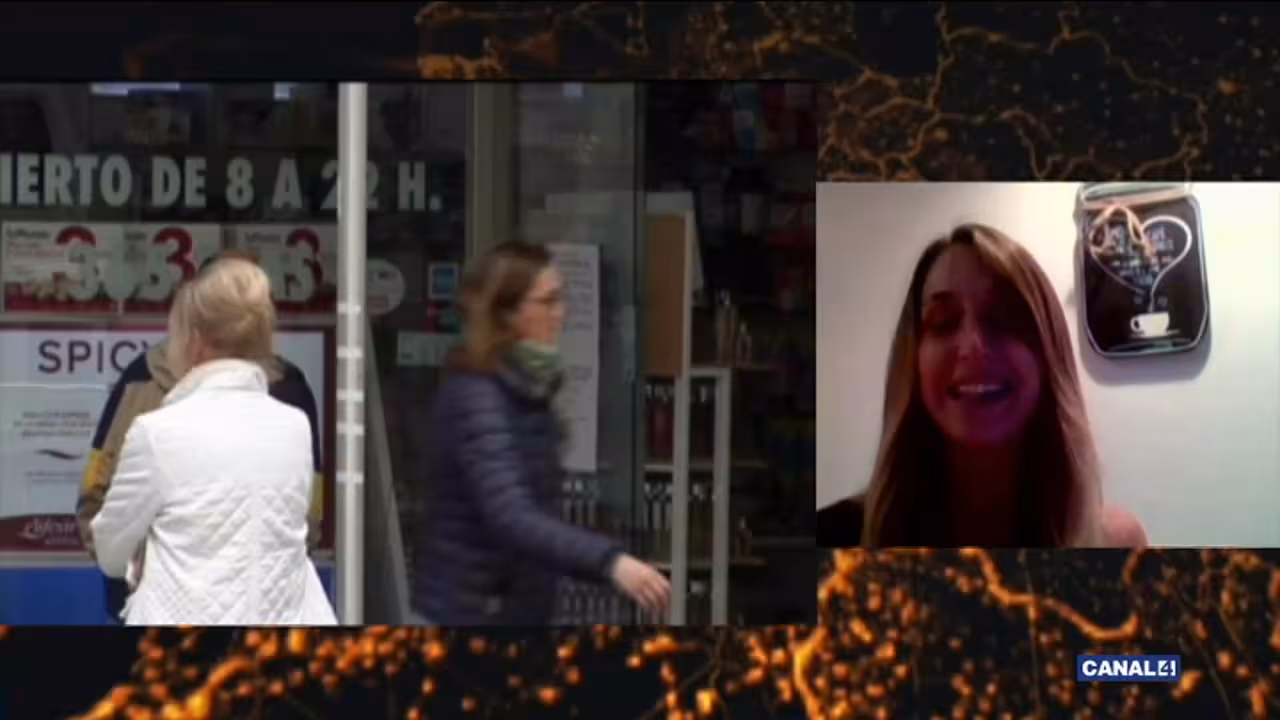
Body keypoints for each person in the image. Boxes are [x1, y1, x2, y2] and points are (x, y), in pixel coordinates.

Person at [817, 224, 1147, 548]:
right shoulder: (832, 535)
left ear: (1049, 354)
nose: (973, 346)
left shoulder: (1116, 542)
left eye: (1004, 318)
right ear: (913, 360)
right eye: (943, 321)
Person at [413, 241, 671, 625]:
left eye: (560, 299)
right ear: (507, 313)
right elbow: (511, 514)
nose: (560, 313)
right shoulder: (478, 397)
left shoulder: (526, 388)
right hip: (471, 612)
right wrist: (610, 561)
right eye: (547, 301)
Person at [76, 250, 326, 625]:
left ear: (195, 339)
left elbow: (110, 550)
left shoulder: (156, 432)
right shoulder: (295, 425)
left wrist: (139, 565)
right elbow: (302, 527)